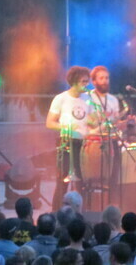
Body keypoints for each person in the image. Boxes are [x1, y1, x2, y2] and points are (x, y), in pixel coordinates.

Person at [47, 66, 92, 211]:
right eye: (83, 81)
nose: (86, 84)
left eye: (87, 81)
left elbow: (92, 121)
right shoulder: (61, 99)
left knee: (83, 182)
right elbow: (49, 123)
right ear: (74, 81)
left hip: (84, 144)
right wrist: (66, 127)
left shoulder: (89, 99)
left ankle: (82, 214)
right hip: (66, 143)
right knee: (62, 181)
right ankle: (55, 213)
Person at [86, 66, 130, 196]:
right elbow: (85, 122)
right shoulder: (88, 99)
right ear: (94, 81)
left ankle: (112, 204)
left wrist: (124, 123)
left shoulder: (113, 100)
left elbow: (115, 124)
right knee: (91, 181)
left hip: (111, 142)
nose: (105, 81)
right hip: (93, 143)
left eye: (106, 78)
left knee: (113, 179)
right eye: (101, 78)